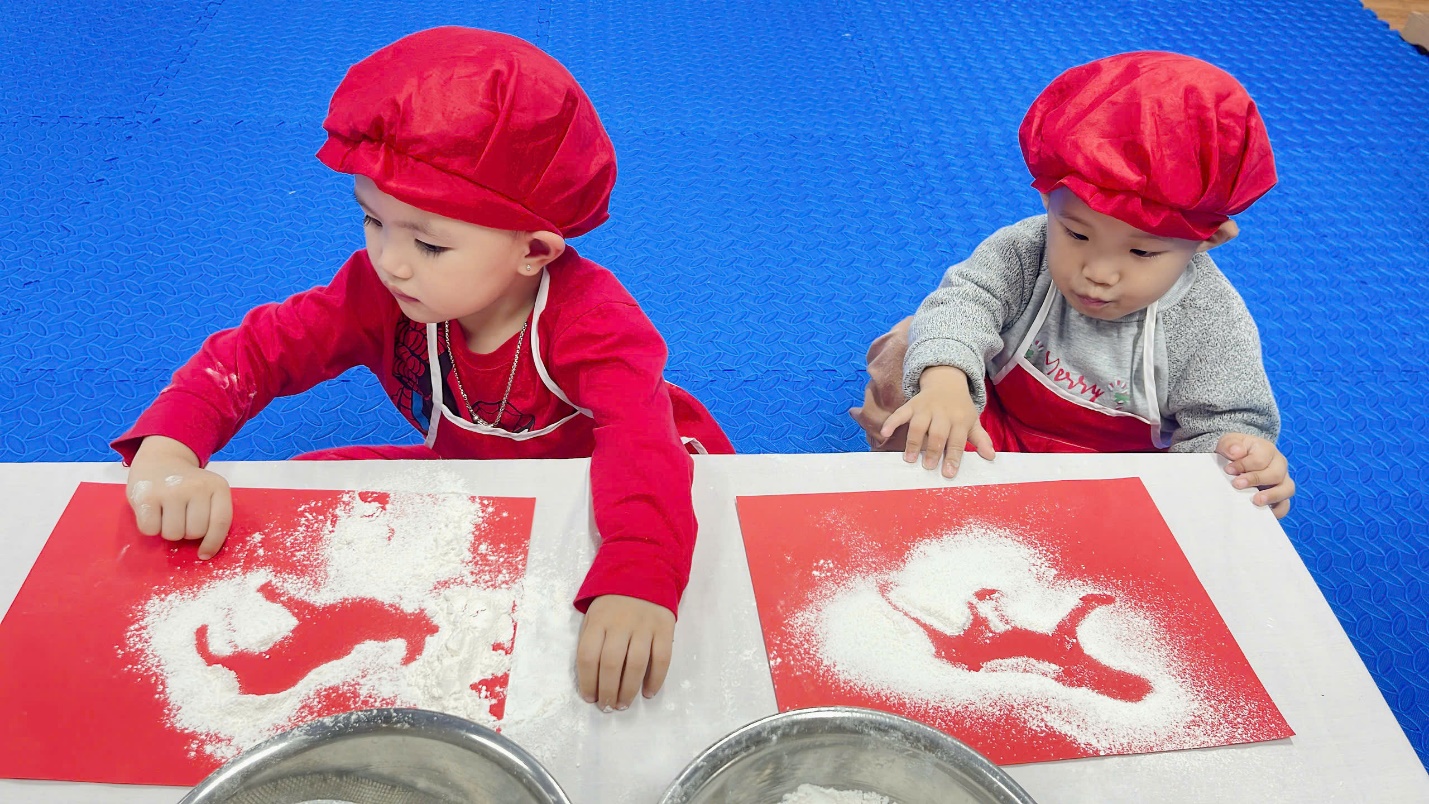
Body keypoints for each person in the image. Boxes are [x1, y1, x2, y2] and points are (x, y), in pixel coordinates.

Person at [114, 27, 735, 711]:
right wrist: (171, 445)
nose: (392, 260)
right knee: (309, 482)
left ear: (533, 250)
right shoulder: (382, 293)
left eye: (430, 244)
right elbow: (257, 351)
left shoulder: (594, 322)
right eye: (373, 221)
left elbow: (638, 444)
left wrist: (639, 572)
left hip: (626, 486)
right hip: (485, 476)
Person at [850, 51, 1295, 518]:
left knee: (1234, 493)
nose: (1099, 272)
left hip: (1114, 485)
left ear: (1208, 240)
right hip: (989, 437)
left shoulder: (1209, 320)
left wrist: (1241, 460)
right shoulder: (1025, 248)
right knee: (911, 346)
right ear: (1047, 198)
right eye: (1077, 234)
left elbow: (1228, 422)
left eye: (1142, 252)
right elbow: (965, 300)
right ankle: (917, 487)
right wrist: (945, 384)